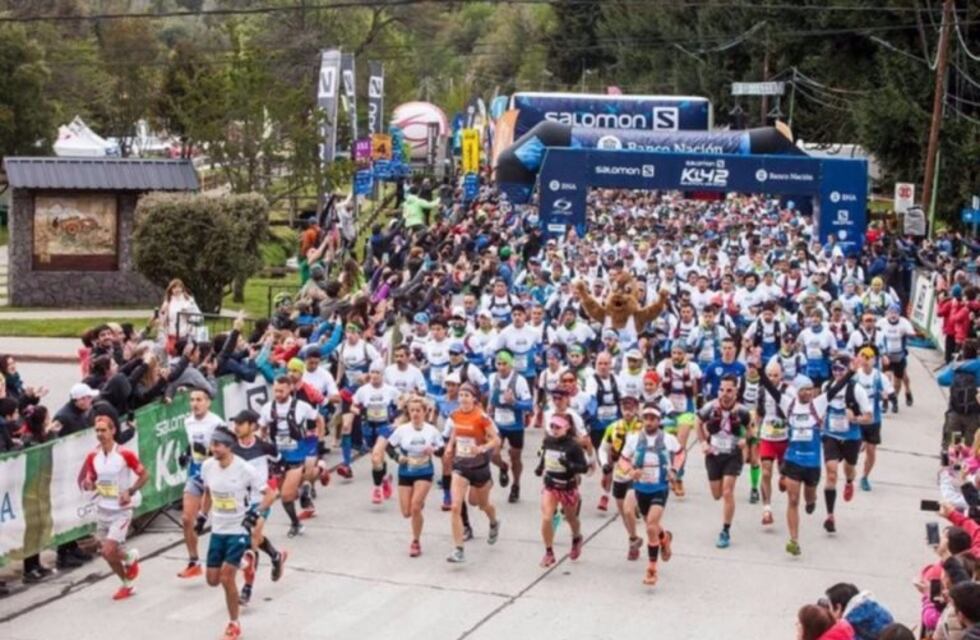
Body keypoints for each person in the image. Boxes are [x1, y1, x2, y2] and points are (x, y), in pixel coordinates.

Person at [201, 426, 276, 640]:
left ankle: (234, 624)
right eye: (212, 444)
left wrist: (255, 513)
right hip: (218, 529)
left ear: (229, 446)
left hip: (238, 529)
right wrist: (202, 516)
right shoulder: (208, 466)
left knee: (226, 578)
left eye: (217, 445)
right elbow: (207, 492)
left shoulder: (244, 469)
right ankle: (246, 564)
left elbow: (270, 495)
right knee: (212, 580)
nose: (213, 448)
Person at [78, 415, 148, 600]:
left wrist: (130, 491)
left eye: (104, 430)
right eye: (97, 431)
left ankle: (129, 559)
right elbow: (91, 479)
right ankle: (127, 580)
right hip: (103, 510)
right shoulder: (93, 456)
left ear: (113, 431)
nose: (100, 434)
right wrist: (88, 484)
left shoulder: (125, 454)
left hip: (121, 511)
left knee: (107, 550)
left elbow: (144, 475)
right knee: (107, 555)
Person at [618, 404, 681, 586]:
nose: (649, 422)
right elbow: (623, 459)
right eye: (646, 418)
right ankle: (665, 537)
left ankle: (652, 569)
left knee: (650, 527)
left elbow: (680, 453)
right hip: (640, 489)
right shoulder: (634, 439)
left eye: (653, 418)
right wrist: (630, 471)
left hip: (660, 487)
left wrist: (674, 470)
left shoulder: (668, 439)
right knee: (651, 524)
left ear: (659, 420)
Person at [230, 410, 287, 606]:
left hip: (261, 499)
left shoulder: (265, 447)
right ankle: (275, 555)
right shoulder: (232, 449)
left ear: (253, 426)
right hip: (240, 502)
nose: (236, 427)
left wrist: (275, 486)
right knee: (254, 537)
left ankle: (247, 588)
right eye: (235, 424)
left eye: (241, 423)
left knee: (253, 536)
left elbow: (281, 464)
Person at [259, 377, 323, 537]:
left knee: (286, 495)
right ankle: (305, 491)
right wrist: (262, 443)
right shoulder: (267, 408)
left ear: (290, 389)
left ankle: (296, 523)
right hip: (278, 457)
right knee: (288, 494)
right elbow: (262, 428)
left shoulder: (301, 406)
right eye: (275, 391)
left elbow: (319, 419)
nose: (278, 394)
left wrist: (319, 441)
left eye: (281, 391)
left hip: (296, 455)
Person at [444, 383, 501, 563]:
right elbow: (456, 430)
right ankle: (458, 549)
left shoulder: (481, 417)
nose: (463, 398)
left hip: (479, 467)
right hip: (461, 465)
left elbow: (496, 440)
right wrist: (450, 445)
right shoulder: (455, 414)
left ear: (474, 398)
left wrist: (482, 448)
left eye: (467, 395)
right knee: (455, 507)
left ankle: (493, 521)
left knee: (480, 504)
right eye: (461, 395)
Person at [696, 375, 752, 549]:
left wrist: (745, 440)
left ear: (736, 392)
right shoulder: (710, 407)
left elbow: (751, 429)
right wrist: (703, 442)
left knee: (728, 492)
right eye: (721, 390)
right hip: (713, 455)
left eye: (729, 390)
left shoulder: (742, 411)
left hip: (732, 455)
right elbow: (697, 422)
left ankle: (725, 531)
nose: (724, 394)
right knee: (717, 494)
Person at [386, 397, 445, 557]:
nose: (415, 414)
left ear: (425, 412)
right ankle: (417, 503)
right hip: (405, 472)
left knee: (415, 507)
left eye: (418, 410)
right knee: (406, 513)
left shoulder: (431, 430)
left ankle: (416, 541)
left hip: (424, 472)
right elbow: (389, 447)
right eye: (412, 410)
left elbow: (442, 451)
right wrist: (398, 457)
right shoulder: (402, 430)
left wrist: (433, 450)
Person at [176, 388, 223, 579]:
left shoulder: (216, 422)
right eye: (192, 400)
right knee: (187, 519)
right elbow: (193, 443)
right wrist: (186, 453)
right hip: (195, 473)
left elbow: (226, 448)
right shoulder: (188, 422)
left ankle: (237, 556)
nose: (195, 404)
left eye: (199, 400)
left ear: (208, 402)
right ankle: (194, 562)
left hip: (215, 475)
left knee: (224, 521)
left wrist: (210, 453)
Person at [535, 413, 588, 567]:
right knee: (547, 518)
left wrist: (569, 465)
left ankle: (576, 537)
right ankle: (549, 552)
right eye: (552, 426)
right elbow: (544, 455)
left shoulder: (574, 446)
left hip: (567, 487)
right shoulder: (548, 441)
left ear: (567, 427)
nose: (554, 429)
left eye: (558, 427)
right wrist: (540, 467)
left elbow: (584, 468)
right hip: (551, 485)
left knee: (571, 518)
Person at [487, 350, 533, 503]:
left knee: (516, 457)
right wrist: (489, 406)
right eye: (498, 364)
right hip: (497, 424)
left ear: (511, 364)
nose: (501, 367)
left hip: (515, 426)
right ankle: (503, 466)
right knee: (492, 454)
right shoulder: (492, 377)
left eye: (504, 364)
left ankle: (516, 485)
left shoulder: (519, 380)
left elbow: (528, 404)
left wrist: (514, 402)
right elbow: (490, 396)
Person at [160, 279, 201, 356]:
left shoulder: (188, 300)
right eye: (174, 287)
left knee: (184, 354)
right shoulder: (168, 301)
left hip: (185, 334)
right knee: (172, 353)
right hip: (172, 334)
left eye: (179, 287)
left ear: (182, 288)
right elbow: (162, 321)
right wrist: (163, 312)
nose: (177, 290)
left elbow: (198, 316)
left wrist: (188, 312)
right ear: (171, 289)